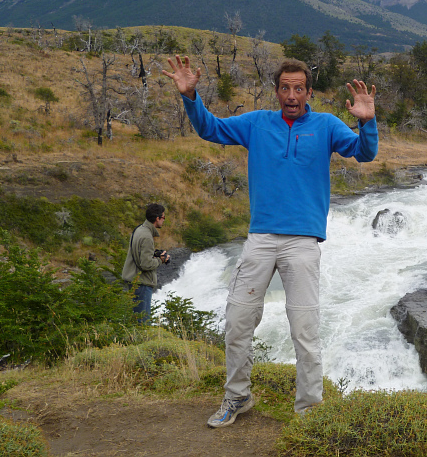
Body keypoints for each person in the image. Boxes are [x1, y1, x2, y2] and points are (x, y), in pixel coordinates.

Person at [162, 56, 378, 427]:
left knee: (304, 330)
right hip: (260, 238)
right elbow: (209, 129)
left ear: (309, 92)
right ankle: (237, 398)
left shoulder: (326, 125)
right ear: (276, 91)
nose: (291, 95)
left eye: (299, 88)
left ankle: (309, 411)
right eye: (285, 88)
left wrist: (367, 121)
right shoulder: (256, 123)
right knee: (238, 321)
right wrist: (191, 97)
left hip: (303, 243)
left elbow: (364, 152)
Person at [122, 203, 170, 323]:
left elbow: (139, 254)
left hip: (133, 278)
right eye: (163, 218)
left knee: (135, 319)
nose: (164, 220)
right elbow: (146, 264)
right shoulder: (147, 236)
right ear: (157, 218)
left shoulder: (139, 229)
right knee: (142, 322)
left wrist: (154, 254)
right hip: (141, 282)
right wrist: (161, 260)